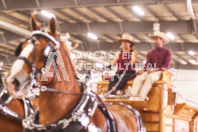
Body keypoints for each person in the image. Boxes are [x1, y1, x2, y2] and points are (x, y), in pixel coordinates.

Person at [130, 31, 172, 100]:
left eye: (156, 39)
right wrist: (142, 70)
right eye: (154, 39)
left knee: (150, 77)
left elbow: (166, 67)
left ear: (161, 40)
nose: (154, 41)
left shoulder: (167, 52)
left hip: (161, 72)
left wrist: (154, 70)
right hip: (151, 71)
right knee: (138, 78)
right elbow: (147, 65)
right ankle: (132, 98)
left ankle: (140, 98)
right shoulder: (151, 53)